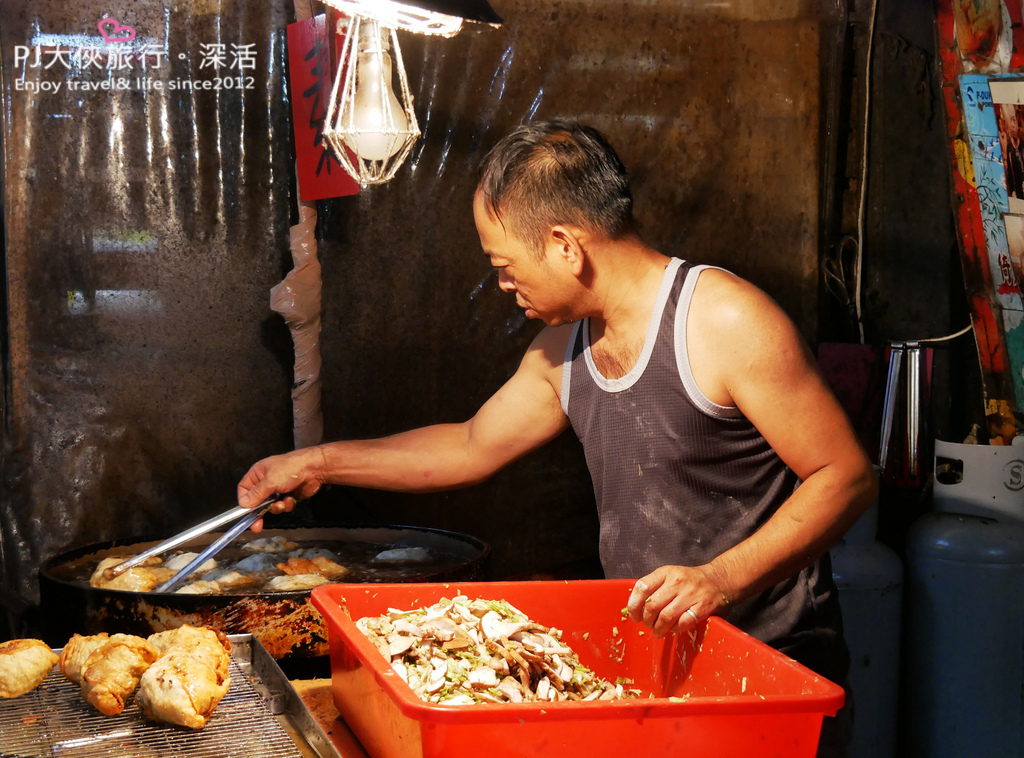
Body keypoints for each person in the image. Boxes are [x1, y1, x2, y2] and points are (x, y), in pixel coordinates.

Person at [238, 120, 877, 756]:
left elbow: (844, 476)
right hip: (653, 674)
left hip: (773, 684)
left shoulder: (725, 321)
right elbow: (468, 445)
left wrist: (720, 578)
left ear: (566, 246)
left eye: (505, 265)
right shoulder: (565, 350)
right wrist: (315, 462)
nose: (503, 285)